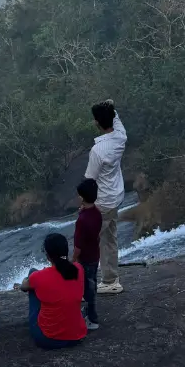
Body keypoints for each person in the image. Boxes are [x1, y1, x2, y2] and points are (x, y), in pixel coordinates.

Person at [85, 99, 127, 294]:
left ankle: (107, 282)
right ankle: (111, 278)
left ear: (96, 123)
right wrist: (112, 106)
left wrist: (84, 205)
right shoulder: (120, 137)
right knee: (109, 238)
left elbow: (90, 181)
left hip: (101, 202)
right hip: (115, 197)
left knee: (92, 242)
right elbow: (115, 119)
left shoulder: (98, 150)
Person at [20, 233, 87, 349]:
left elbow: (23, 287)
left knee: (32, 272)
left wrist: (35, 279)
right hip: (77, 336)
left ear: (48, 256)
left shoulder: (38, 276)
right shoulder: (79, 268)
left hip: (48, 340)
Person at [72, 177, 102, 330]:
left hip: (84, 259)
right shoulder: (96, 213)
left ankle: (92, 319)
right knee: (92, 283)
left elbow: (78, 247)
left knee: (87, 290)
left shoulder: (82, 220)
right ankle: (90, 315)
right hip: (95, 255)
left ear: (82, 197)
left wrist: (73, 261)